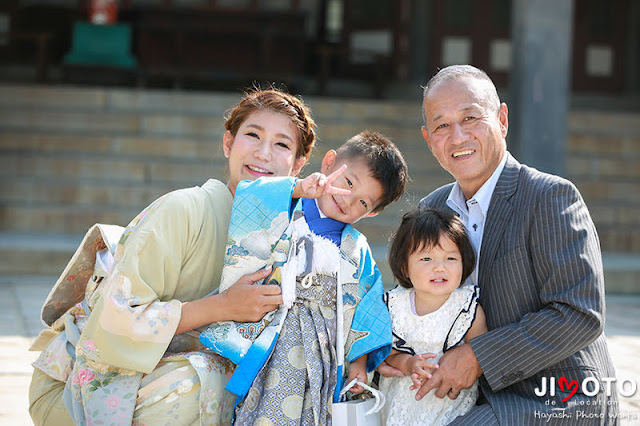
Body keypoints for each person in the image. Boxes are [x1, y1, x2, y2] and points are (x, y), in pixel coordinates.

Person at [28, 87, 319, 425]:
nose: (264, 152)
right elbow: (113, 324)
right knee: (207, 380)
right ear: (228, 143)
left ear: (298, 165)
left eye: (282, 144)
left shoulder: (289, 234)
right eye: (252, 135)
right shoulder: (183, 209)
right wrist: (224, 306)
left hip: (163, 377)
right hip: (87, 385)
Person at [380, 64, 618, 424]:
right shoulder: (431, 210)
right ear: (429, 141)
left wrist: (477, 357)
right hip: (458, 395)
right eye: (442, 126)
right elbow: (410, 301)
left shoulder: (549, 197)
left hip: (553, 396)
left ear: (502, 119)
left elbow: (580, 313)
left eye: (471, 117)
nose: (457, 137)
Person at [199, 130, 409, 424]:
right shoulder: (286, 207)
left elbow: (366, 307)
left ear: (371, 214)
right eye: (348, 183)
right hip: (270, 338)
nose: (349, 201)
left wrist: (359, 364)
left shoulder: (356, 249)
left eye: (363, 203)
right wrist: (297, 188)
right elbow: (251, 195)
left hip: (323, 352)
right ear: (329, 163)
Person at [379, 207, 487, 425]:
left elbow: (480, 355)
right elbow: (387, 352)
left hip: (449, 406)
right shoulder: (395, 305)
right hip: (401, 402)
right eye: (426, 258)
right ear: (404, 266)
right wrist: (408, 363)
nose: (440, 267)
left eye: (450, 258)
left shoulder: (467, 309)